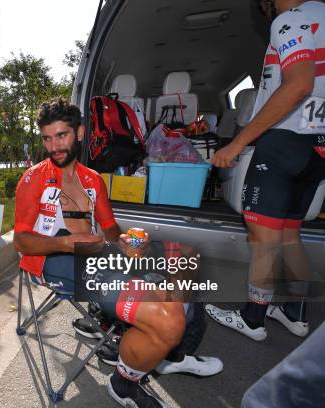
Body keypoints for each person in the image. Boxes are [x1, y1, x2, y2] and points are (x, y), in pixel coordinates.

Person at [14, 98, 222, 408]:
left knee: (187, 255)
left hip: (97, 252)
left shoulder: (92, 179)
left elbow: (109, 228)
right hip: (54, 260)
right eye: (47, 137)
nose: (54, 145)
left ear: (80, 133)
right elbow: (21, 241)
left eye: (62, 135)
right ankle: (125, 382)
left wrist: (124, 241)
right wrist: (65, 243)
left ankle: (169, 353)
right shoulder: (33, 180)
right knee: (169, 319)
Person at [209, 0, 324, 341]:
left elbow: (298, 84)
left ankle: (253, 318)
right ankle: (295, 313)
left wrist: (237, 143)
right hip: (317, 147)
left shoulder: (292, 19)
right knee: (291, 235)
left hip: (284, 144)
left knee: (264, 238)